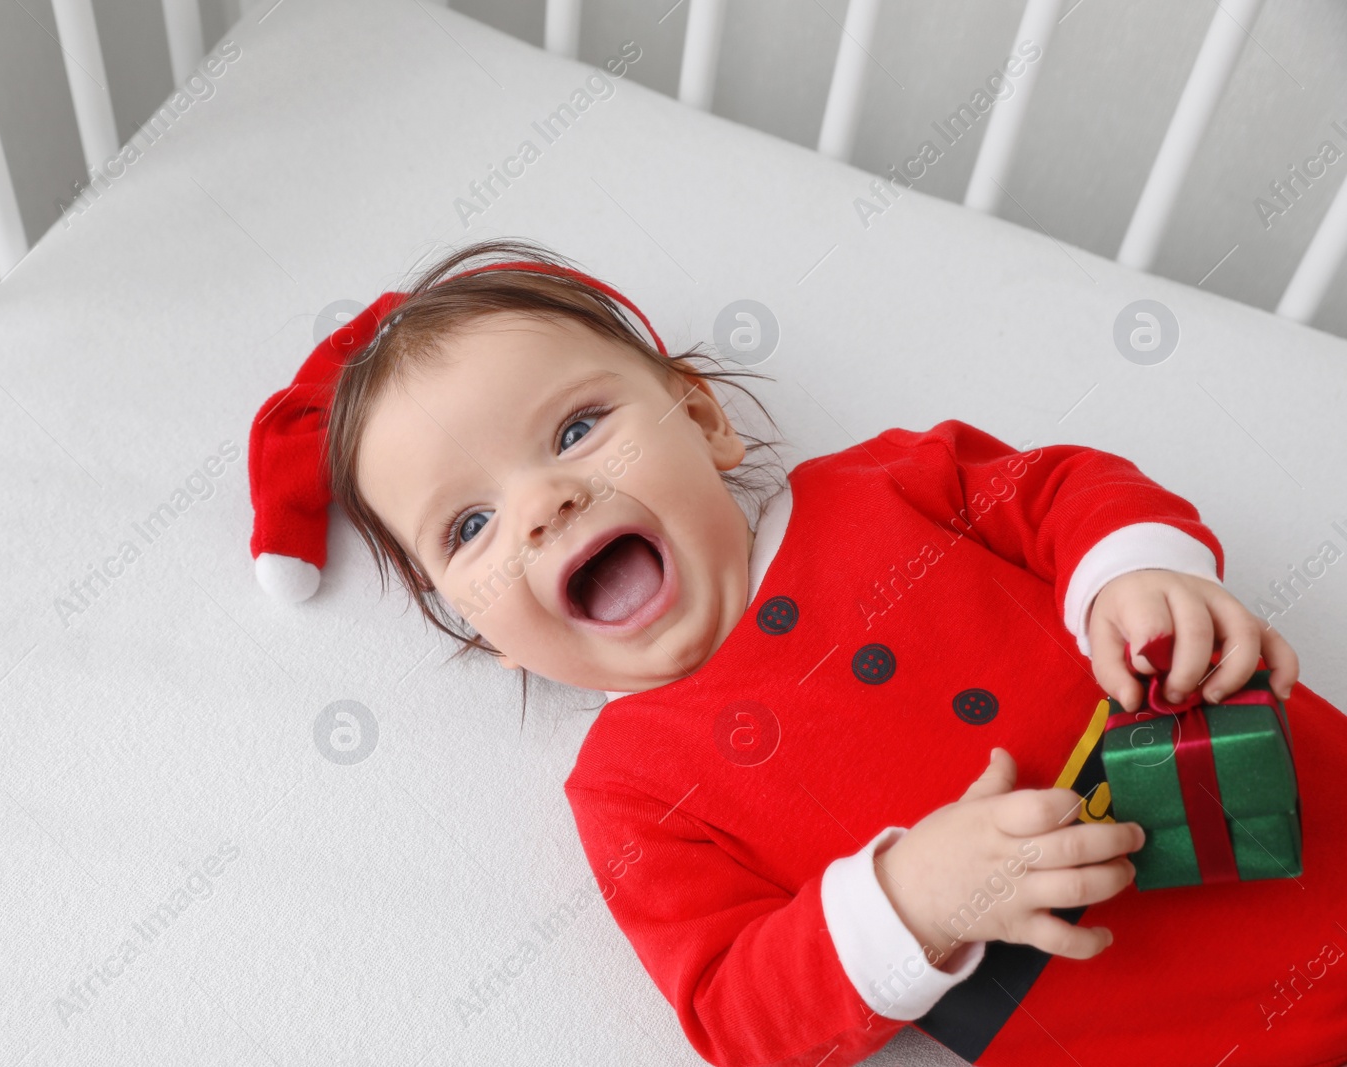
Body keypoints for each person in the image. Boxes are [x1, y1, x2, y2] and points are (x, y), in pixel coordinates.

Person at [247, 237, 1347, 1067]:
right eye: (469, 527)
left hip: (1301, 804)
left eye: (576, 428)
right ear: (486, 637)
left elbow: (1056, 489)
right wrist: (912, 899)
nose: (541, 505)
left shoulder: (880, 487)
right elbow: (734, 1009)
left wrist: (1133, 571)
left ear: (704, 420)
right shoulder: (632, 787)